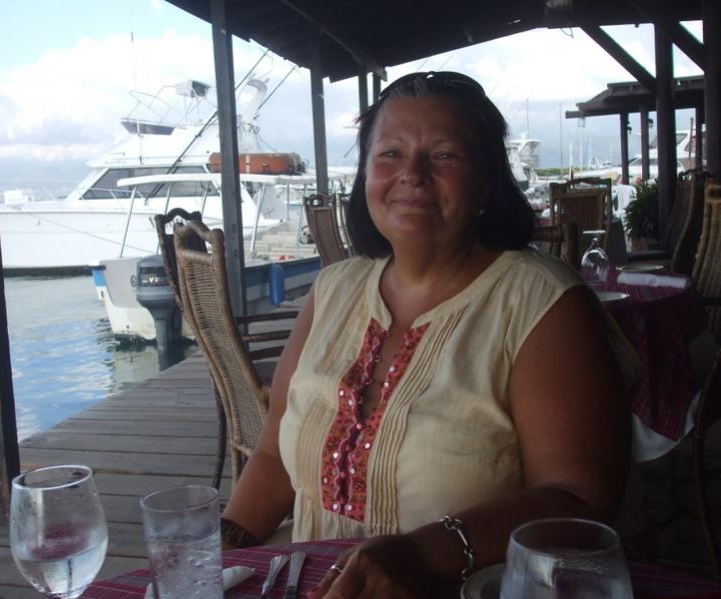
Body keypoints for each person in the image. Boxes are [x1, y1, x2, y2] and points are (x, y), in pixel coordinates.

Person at [219, 71, 638, 598]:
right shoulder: (332, 290)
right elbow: (273, 459)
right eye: (390, 154)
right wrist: (215, 553)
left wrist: (418, 553)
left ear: (486, 183)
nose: (412, 174)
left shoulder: (542, 303)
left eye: (444, 155)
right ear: (366, 175)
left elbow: (579, 499)